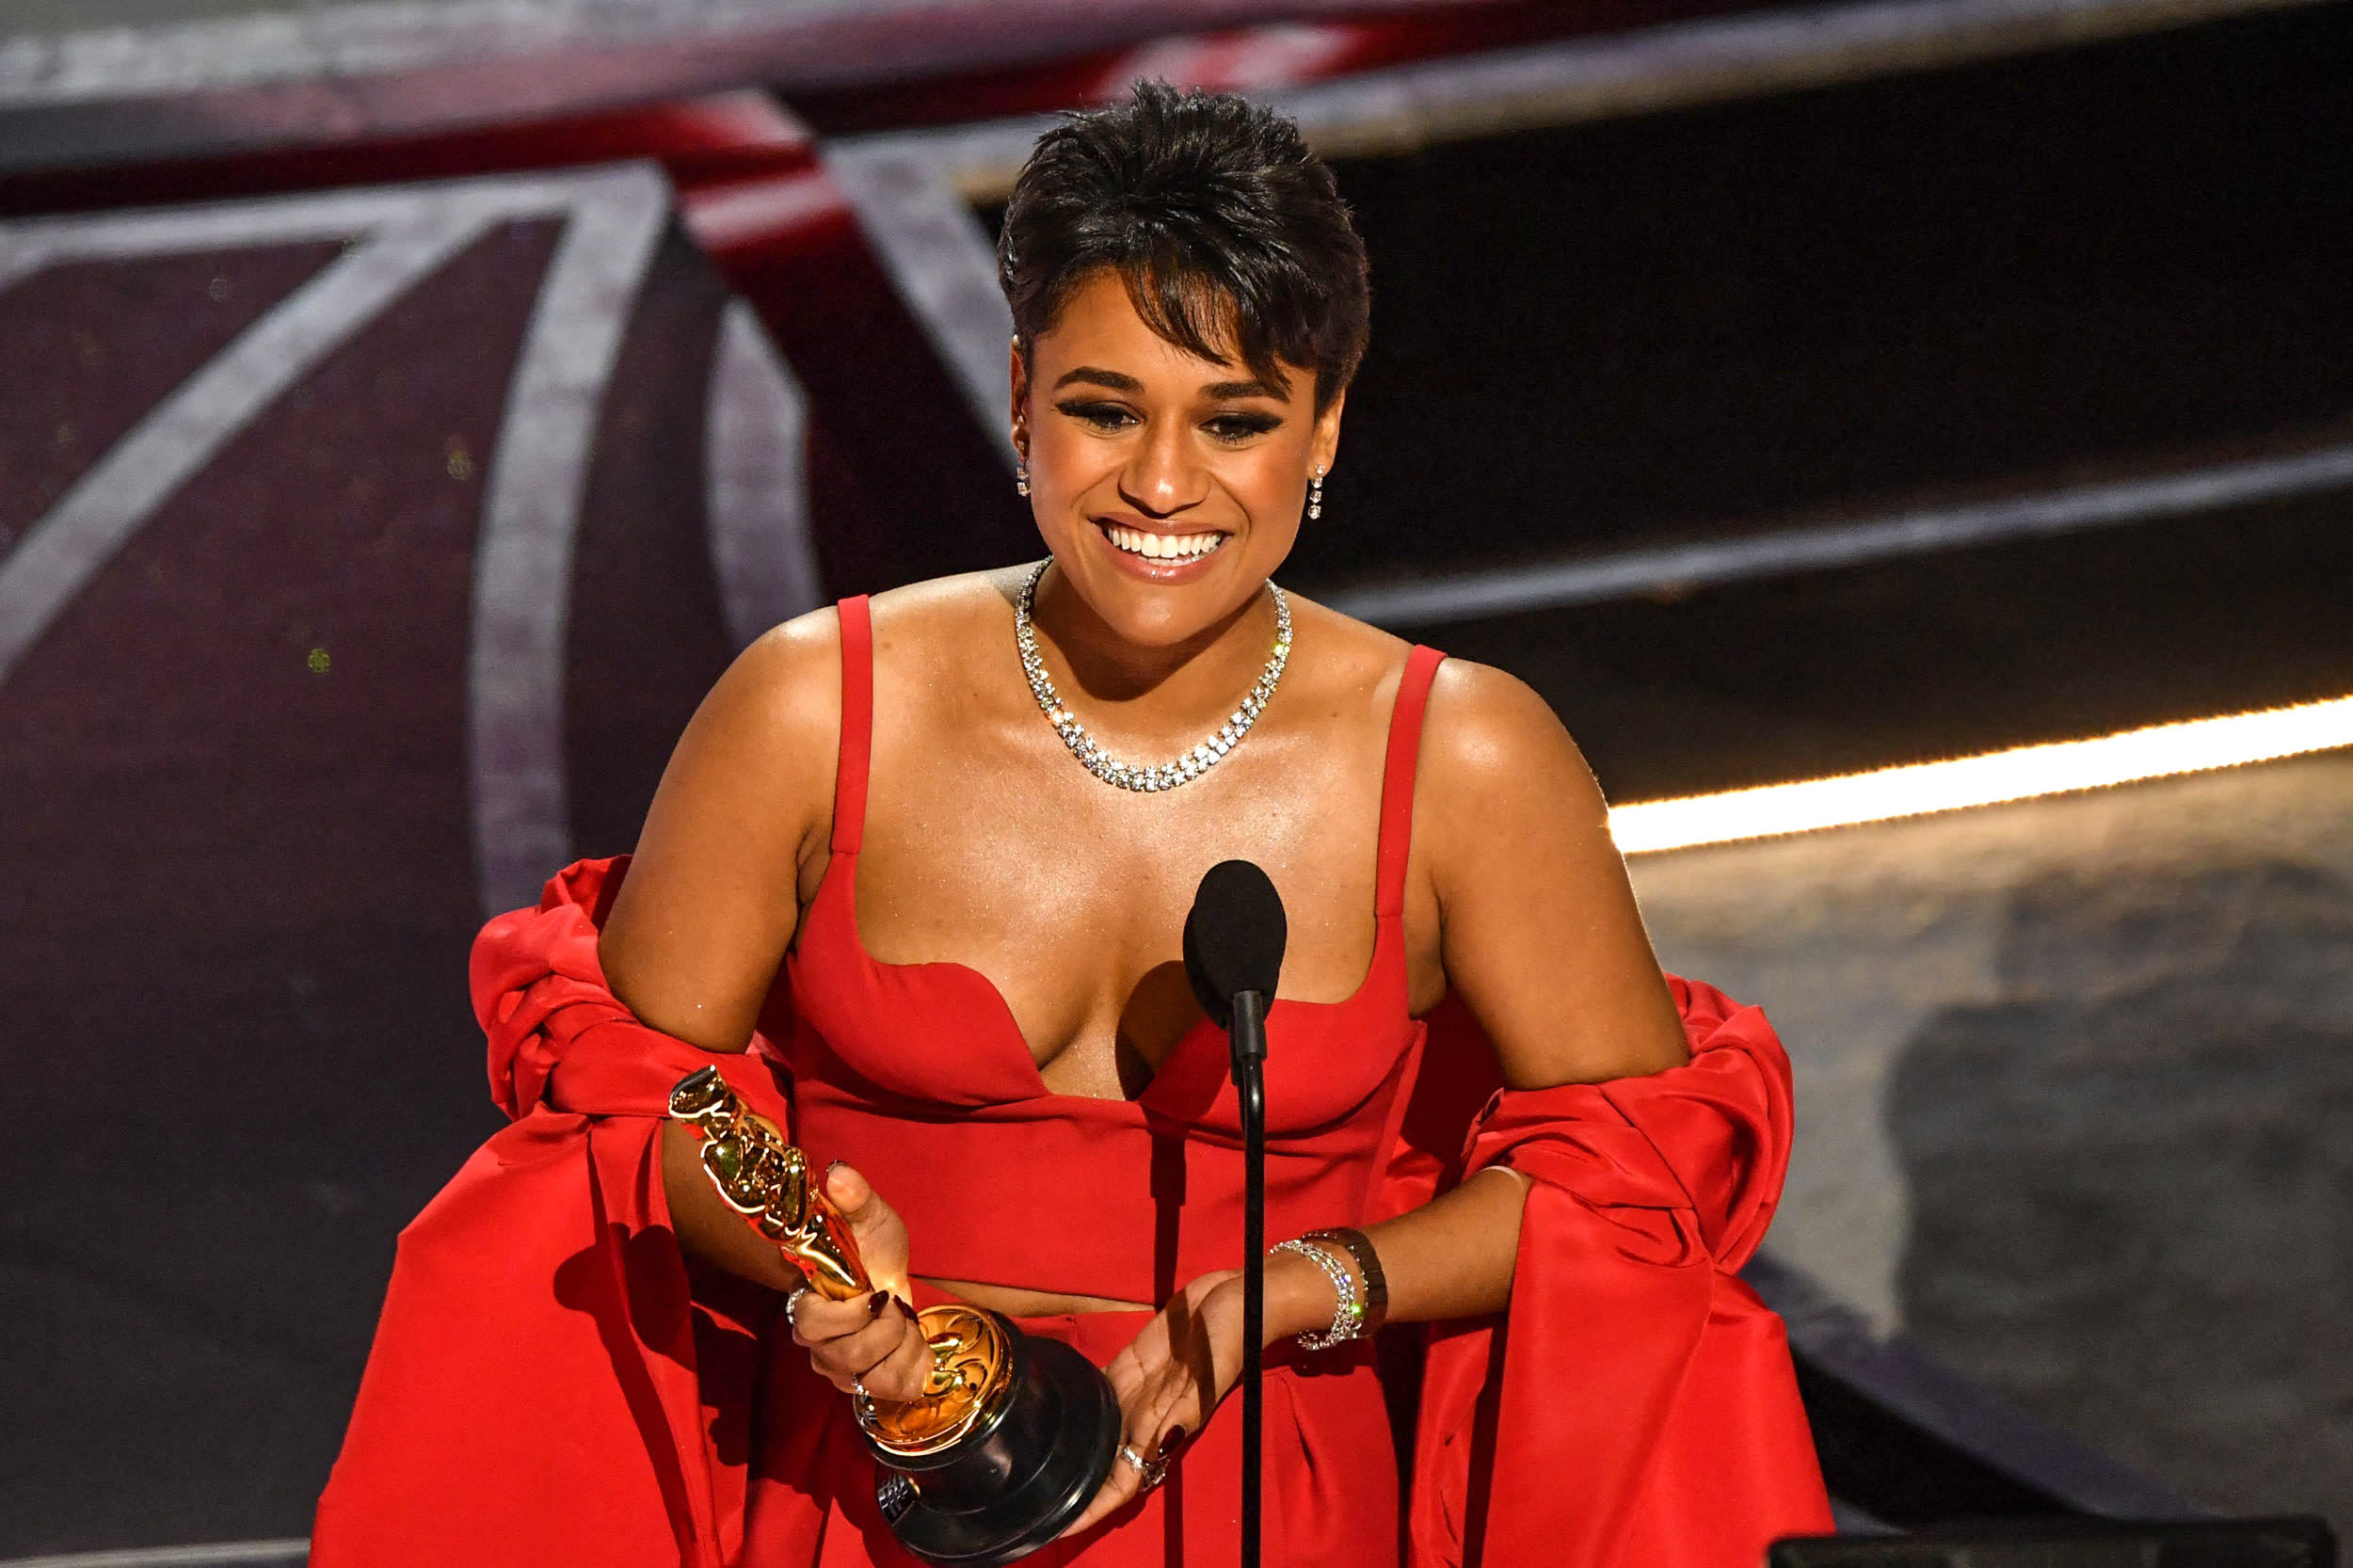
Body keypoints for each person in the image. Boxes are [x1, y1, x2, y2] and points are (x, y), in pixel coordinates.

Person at [314, 82, 1831, 1568]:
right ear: (1022, 392)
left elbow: (1628, 1184)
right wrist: (826, 1269)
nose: (1163, 485)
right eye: (1105, 409)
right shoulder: (810, 711)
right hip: (875, 1483)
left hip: (1276, 1511)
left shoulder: (1465, 758)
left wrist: (1294, 1288)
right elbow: (630, 1119)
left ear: (1324, 427)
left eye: (1235, 420)